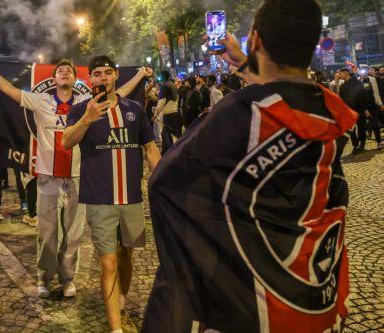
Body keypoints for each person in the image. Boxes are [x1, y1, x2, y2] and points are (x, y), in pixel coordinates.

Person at [142, 1, 356, 332]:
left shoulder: (238, 115)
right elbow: (280, 101)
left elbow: (164, 183)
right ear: (313, 43)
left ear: (254, 40)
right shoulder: (326, 112)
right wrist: (244, 65)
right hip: (313, 302)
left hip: (249, 305)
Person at [0, 56, 152, 299]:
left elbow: (119, 93)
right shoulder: (41, 101)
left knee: (74, 234)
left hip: (78, 177)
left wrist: (141, 75)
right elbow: (9, 90)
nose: (65, 73)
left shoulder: (86, 103)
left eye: (69, 70)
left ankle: (68, 279)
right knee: (47, 234)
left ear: (76, 78)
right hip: (48, 177)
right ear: (54, 78)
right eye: (60, 71)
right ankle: (45, 278)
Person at [62, 55, 161, 333]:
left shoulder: (135, 110)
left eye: (107, 72)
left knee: (127, 255)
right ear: (89, 79)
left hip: (130, 197)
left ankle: (121, 302)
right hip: (99, 199)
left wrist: (164, 178)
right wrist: (86, 120)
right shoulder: (80, 110)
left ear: (116, 75)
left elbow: (150, 149)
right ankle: (116, 329)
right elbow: (67, 142)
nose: (103, 78)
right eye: (97, 74)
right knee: (108, 263)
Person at [153, 70, 182, 154]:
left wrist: (155, 114)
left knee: (166, 136)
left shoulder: (164, 86)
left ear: (163, 76)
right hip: (175, 113)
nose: (160, 77)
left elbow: (161, 102)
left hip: (168, 115)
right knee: (173, 135)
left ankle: (168, 155)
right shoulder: (173, 84)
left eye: (160, 75)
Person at [339, 68, 368, 153]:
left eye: (341, 74)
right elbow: (342, 100)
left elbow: (363, 95)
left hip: (360, 109)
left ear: (346, 73)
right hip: (349, 111)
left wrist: (366, 108)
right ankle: (355, 145)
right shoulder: (342, 86)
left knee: (361, 127)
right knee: (351, 129)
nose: (340, 75)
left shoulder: (357, 82)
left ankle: (362, 144)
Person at [360, 70, 383, 148]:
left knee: (375, 124)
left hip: (372, 105)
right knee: (361, 126)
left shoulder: (372, 79)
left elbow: (376, 92)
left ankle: (379, 142)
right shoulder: (358, 80)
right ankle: (362, 145)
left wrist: (380, 103)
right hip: (362, 107)